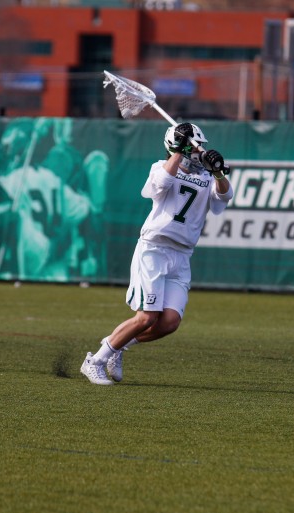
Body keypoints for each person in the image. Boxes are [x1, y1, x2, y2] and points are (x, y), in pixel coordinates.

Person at [80, 122, 233, 385]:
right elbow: (160, 184)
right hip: (155, 249)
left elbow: (224, 197)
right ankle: (95, 361)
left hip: (182, 255)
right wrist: (179, 151)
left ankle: (118, 345)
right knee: (146, 317)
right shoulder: (160, 167)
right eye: (196, 146)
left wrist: (218, 172)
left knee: (169, 322)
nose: (200, 150)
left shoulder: (207, 177)